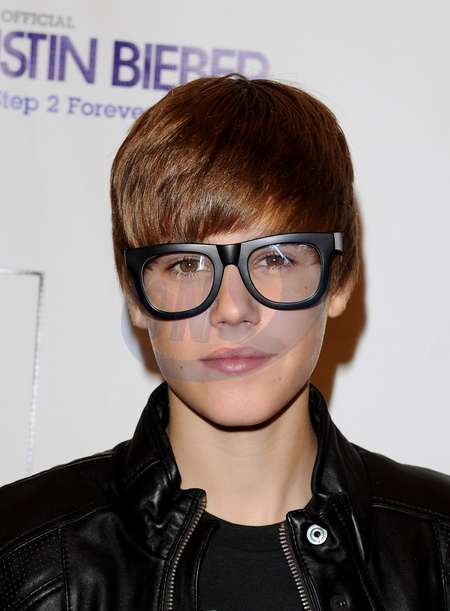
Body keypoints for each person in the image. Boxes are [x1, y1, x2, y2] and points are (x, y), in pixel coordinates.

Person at [0, 75, 449, 611]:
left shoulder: (438, 547)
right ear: (136, 293)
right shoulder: (21, 557)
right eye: (187, 264)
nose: (233, 310)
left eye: (276, 258)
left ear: (340, 279)